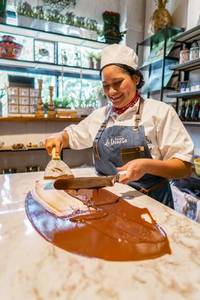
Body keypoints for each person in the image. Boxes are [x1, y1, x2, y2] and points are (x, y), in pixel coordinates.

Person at [45, 44, 194, 208]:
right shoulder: (101, 116)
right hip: (107, 201)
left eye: (117, 83)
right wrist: (59, 137)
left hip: (152, 205)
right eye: (106, 86)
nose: (111, 92)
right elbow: (72, 136)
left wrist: (146, 166)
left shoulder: (159, 112)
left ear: (136, 78)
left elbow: (184, 167)